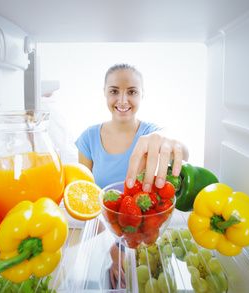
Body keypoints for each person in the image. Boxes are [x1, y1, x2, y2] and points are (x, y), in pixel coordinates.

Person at [75, 63, 189, 288]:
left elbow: (181, 151)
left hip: (146, 233)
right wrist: (112, 246)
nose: (123, 100)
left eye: (132, 91)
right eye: (114, 91)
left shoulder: (150, 133)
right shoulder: (88, 138)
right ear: (105, 93)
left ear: (142, 94)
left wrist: (167, 139)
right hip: (104, 233)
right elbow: (86, 199)